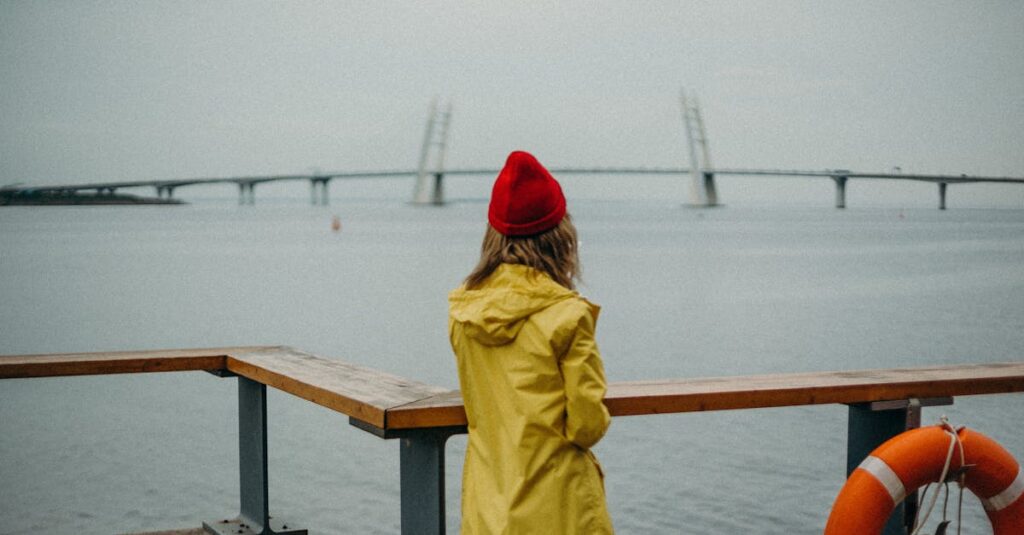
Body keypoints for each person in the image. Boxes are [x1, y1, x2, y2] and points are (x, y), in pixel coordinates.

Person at [448, 150, 614, 534]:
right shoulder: (568, 316)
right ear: (561, 240)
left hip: (489, 503)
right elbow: (587, 425)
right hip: (558, 507)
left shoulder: (462, 313)